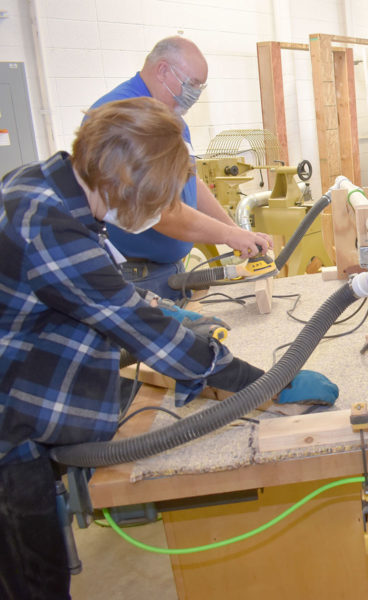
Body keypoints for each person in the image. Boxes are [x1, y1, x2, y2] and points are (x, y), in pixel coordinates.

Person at [0, 98, 334, 599]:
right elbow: (146, 335)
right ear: (126, 185)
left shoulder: (44, 185)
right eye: (157, 202)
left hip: (23, 389)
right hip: (10, 425)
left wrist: (158, 307)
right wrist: (265, 384)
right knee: (35, 582)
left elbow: (92, 288)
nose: (159, 214)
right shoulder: (48, 225)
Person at [88, 36, 272, 301]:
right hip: (139, 276)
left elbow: (190, 181)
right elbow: (160, 212)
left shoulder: (170, 115)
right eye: (191, 84)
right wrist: (229, 234)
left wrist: (236, 231)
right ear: (163, 70)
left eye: (200, 87)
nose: (195, 93)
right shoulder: (120, 117)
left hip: (170, 270)